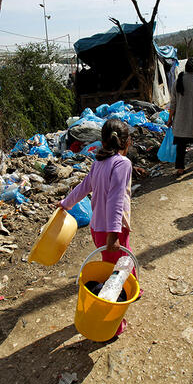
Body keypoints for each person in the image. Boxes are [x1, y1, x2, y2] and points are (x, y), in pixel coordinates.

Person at [57, 118, 133, 335]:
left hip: (97, 227)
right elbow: (117, 200)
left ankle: (134, 288)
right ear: (126, 142)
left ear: (103, 141)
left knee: (121, 262)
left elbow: (83, 187)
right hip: (113, 229)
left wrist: (65, 204)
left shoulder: (98, 163)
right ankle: (114, 324)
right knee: (115, 275)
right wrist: (114, 233)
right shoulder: (123, 164)